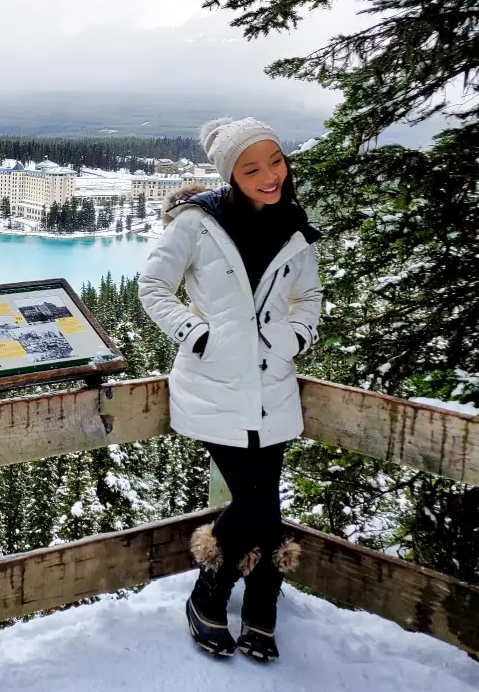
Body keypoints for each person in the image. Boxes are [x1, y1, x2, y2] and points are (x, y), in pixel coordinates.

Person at [138, 117, 322, 662]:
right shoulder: (197, 224)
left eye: (276, 161)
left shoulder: (294, 226)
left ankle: (244, 599)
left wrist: (295, 337)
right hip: (214, 388)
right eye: (252, 168)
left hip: (273, 389)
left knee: (263, 502)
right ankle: (227, 597)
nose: (270, 175)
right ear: (230, 176)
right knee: (256, 501)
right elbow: (153, 286)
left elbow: (309, 298)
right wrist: (197, 335)